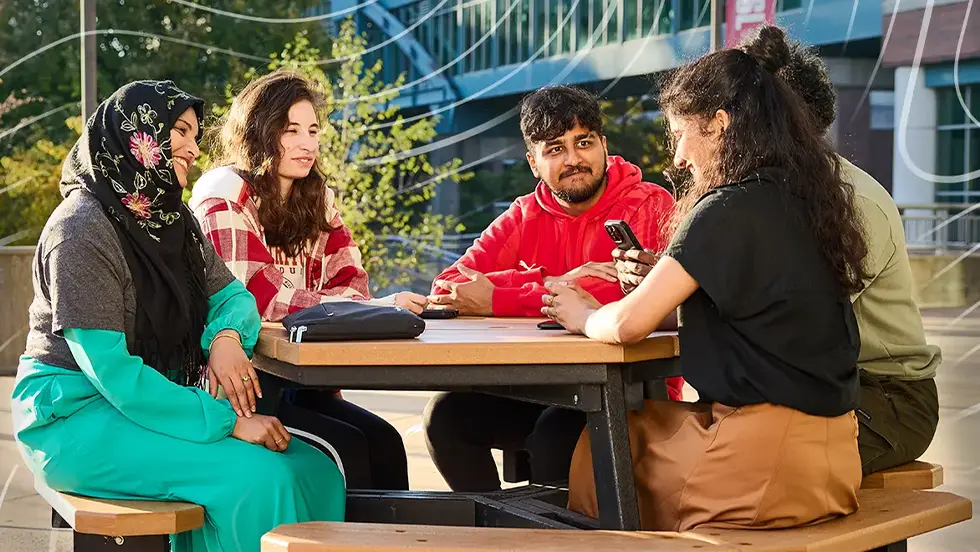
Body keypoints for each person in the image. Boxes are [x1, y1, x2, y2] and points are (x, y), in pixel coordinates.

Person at [542, 26, 868, 531]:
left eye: (679, 135)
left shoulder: (727, 208)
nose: (677, 157)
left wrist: (583, 314)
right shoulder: (810, 200)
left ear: (718, 123)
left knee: (597, 449)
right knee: (635, 429)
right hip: (835, 458)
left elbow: (628, 325)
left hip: (763, 463)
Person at [11, 80, 344, 552]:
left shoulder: (171, 221)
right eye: (179, 132)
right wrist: (228, 422)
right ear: (138, 138)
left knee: (315, 471)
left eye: (194, 134)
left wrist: (226, 337)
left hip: (151, 403)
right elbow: (113, 374)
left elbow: (234, 297)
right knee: (259, 480)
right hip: (74, 415)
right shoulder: (81, 231)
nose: (193, 148)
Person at [615, 33, 942, 477]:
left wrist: (671, 292)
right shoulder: (768, 194)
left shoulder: (847, 200)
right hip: (810, 387)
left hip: (882, 395)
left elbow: (784, 321)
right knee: (641, 450)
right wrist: (679, 282)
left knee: (686, 467)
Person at [423, 85, 682, 493]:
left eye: (584, 143)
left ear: (604, 145)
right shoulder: (525, 214)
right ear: (533, 162)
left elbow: (616, 299)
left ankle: (549, 527)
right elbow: (448, 286)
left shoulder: (650, 205)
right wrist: (550, 283)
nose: (574, 159)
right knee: (446, 418)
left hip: (635, 391)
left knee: (553, 438)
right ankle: (496, 525)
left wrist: (498, 297)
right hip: (541, 384)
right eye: (555, 149)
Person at [189, 70, 413, 491]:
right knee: (347, 449)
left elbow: (352, 283)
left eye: (312, 130)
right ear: (258, 133)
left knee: (386, 442)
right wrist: (352, 307)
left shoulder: (315, 199)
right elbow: (255, 296)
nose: (307, 144)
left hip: (301, 379)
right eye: (290, 131)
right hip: (236, 390)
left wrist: (342, 306)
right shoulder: (224, 193)